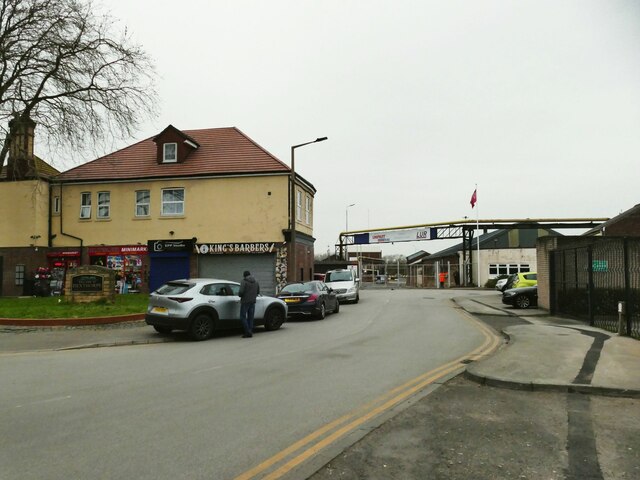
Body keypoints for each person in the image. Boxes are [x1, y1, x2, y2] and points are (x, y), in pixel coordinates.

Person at [239, 270, 260, 338]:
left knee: (243, 317)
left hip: (245, 302)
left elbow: (241, 292)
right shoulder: (256, 282)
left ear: (244, 275)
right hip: (253, 301)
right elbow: (258, 292)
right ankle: (250, 331)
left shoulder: (244, 281)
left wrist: (240, 295)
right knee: (251, 317)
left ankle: (247, 332)